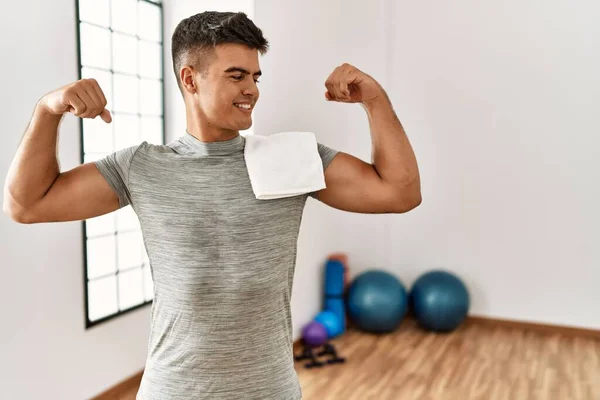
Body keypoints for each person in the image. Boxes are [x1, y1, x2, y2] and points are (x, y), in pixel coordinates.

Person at [3, 11, 421, 400]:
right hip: (174, 390)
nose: (252, 90)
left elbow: (399, 193)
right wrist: (47, 110)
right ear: (190, 78)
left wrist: (376, 100)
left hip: (269, 390)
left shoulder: (290, 158)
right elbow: (27, 204)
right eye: (236, 76)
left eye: (256, 77)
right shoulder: (142, 167)